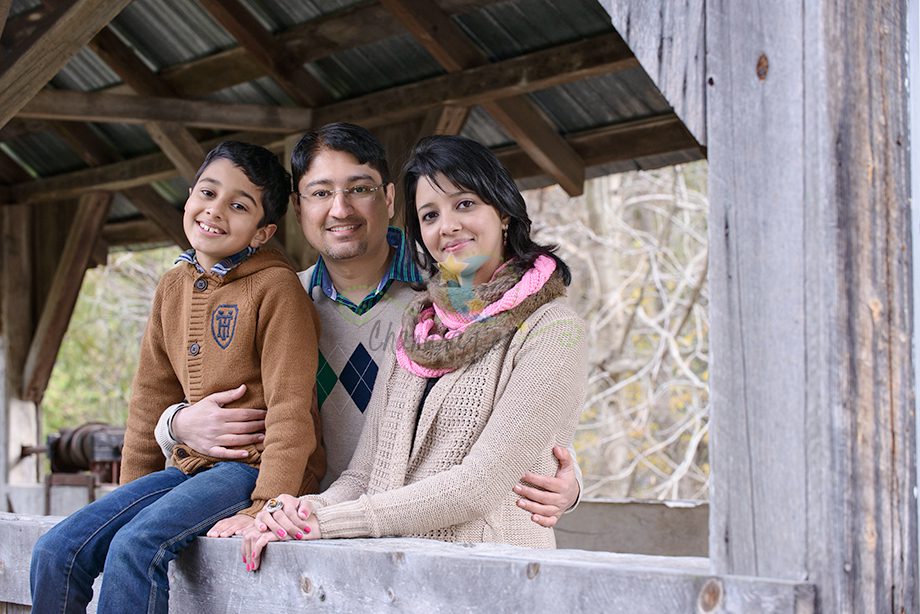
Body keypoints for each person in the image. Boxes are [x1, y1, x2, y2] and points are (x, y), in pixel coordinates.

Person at [154, 124, 582, 546]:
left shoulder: (429, 299)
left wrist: (570, 480)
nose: (340, 209)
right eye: (321, 193)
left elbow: (510, 444)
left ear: (390, 199)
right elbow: (187, 390)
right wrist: (175, 425)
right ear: (299, 209)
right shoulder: (281, 299)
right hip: (318, 531)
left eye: (359, 189)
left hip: (390, 533)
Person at [30, 141, 325, 613]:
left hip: (248, 469)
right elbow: (150, 397)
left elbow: (292, 407)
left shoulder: (276, 289)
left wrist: (264, 505)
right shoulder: (172, 286)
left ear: (262, 231)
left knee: (134, 548)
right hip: (187, 468)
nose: (215, 211)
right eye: (207, 193)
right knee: (57, 550)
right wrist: (130, 490)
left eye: (238, 205)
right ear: (189, 196)